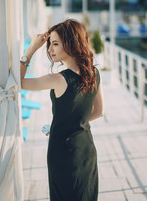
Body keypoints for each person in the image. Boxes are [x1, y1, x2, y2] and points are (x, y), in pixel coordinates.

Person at [20, 19, 104, 201]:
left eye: (55, 44)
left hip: (63, 152)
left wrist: (32, 49)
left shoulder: (58, 79)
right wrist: (65, 123)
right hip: (86, 150)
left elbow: (18, 82)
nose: (50, 49)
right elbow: (98, 112)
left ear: (72, 43)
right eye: (49, 44)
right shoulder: (94, 73)